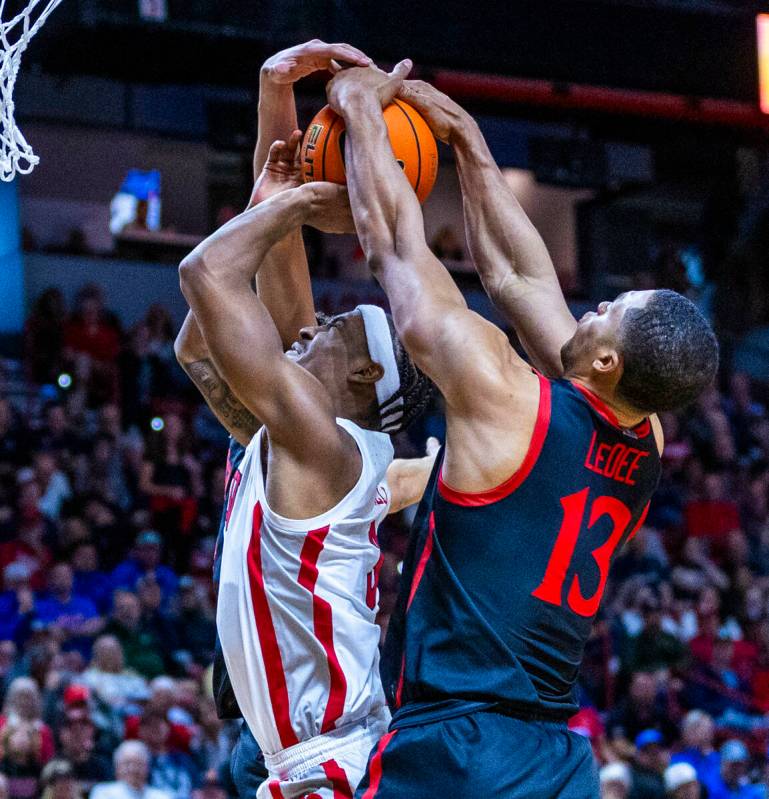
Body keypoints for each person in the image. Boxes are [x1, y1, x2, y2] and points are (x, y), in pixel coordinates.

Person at [324, 65, 719, 798]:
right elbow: (517, 282)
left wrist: (355, 106)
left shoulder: (505, 397)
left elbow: (392, 249)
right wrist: (470, 146)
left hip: (459, 743)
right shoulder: (646, 436)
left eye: (608, 308)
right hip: (554, 757)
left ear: (606, 358)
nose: (591, 302)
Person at [176, 40, 437, 799]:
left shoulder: (314, 438)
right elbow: (245, 295)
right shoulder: (306, 424)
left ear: (358, 374)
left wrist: (291, 203)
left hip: (327, 759)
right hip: (313, 751)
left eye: (332, 328)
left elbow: (205, 278)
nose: (310, 326)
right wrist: (274, 98)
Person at [91, 740, 171, 799]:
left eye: (138, 764)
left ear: (147, 768)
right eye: (127, 764)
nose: (133, 769)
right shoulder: (103, 793)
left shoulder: (161, 796)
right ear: (117, 768)